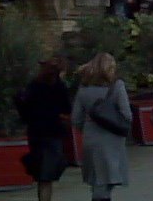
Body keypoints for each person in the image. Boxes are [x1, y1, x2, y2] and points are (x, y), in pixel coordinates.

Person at [72, 53, 131, 201]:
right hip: (112, 140)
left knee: (97, 181)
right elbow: (127, 115)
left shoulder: (83, 89)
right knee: (105, 185)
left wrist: (87, 128)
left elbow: (76, 118)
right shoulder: (117, 86)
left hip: (91, 138)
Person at [16, 58, 71, 201]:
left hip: (36, 133)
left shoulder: (33, 86)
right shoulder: (60, 88)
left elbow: (24, 109)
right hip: (53, 133)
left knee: (42, 175)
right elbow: (67, 109)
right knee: (48, 177)